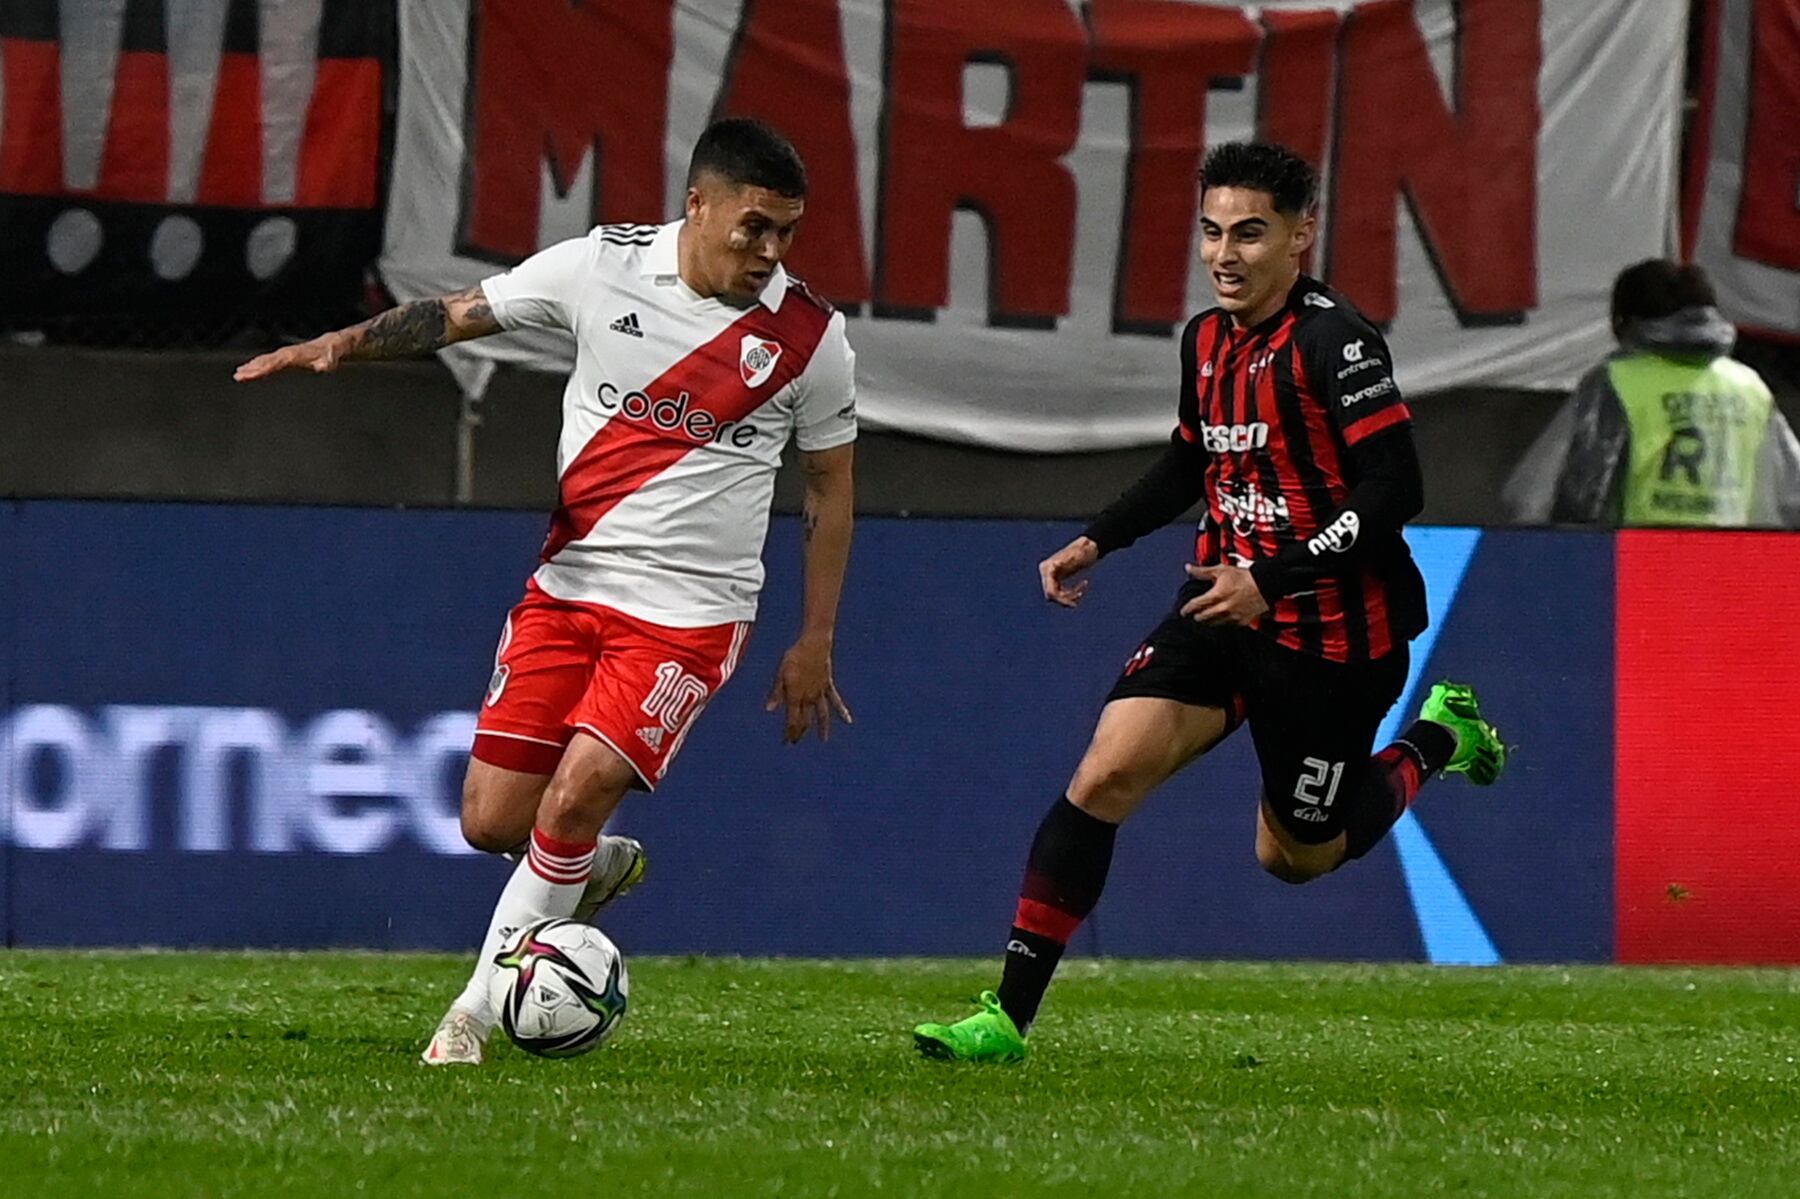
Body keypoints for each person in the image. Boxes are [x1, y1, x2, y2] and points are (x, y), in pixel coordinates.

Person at [235, 119, 858, 1065]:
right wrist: (338, 343)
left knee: (575, 797)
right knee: (492, 821)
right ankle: (591, 871)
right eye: (754, 227)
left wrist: (815, 635)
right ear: (697, 203)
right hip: (566, 590)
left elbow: (829, 485)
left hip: (690, 616)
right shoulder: (598, 269)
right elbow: (456, 314)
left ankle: (471, 1018)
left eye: (786, 234)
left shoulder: (810, 337)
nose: (769, 252)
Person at [911, 142, 1505, 1064]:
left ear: (1301, 235)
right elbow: (1193, 458)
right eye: (1212, 231)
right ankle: (1006, 1019)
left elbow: (1395, 487)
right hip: (1221, 607)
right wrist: (1101, 535)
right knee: (1105, 774)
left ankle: (1438, 739)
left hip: (1332, 634)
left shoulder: (1335, 343)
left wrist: (1272, 578)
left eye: (1251, 233)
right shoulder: (1205, 339)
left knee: (1297, 855)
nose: (1225, 254)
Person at [1504, 258, 1800, 528]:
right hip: (1727, 569)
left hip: (1637, 563)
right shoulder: (1751, 388)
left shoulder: (1615, 381)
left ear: (1627, 322)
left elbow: (1537, 495)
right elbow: (1790, 497)